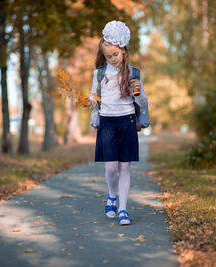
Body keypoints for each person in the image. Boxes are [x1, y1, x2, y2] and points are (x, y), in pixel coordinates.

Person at [83, 20, 148, 225]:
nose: (112, 59)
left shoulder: (134, 74)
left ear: (124, 51)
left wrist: (138, 93)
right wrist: (88, 102)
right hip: (107, 124)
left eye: (115, 55)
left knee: (125, 168)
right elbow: (95, 98)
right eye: (108, 56)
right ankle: (112, 196)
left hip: (127, 121)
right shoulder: (99, 74)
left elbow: (143, 103)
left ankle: (123, 209)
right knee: (111, 168)